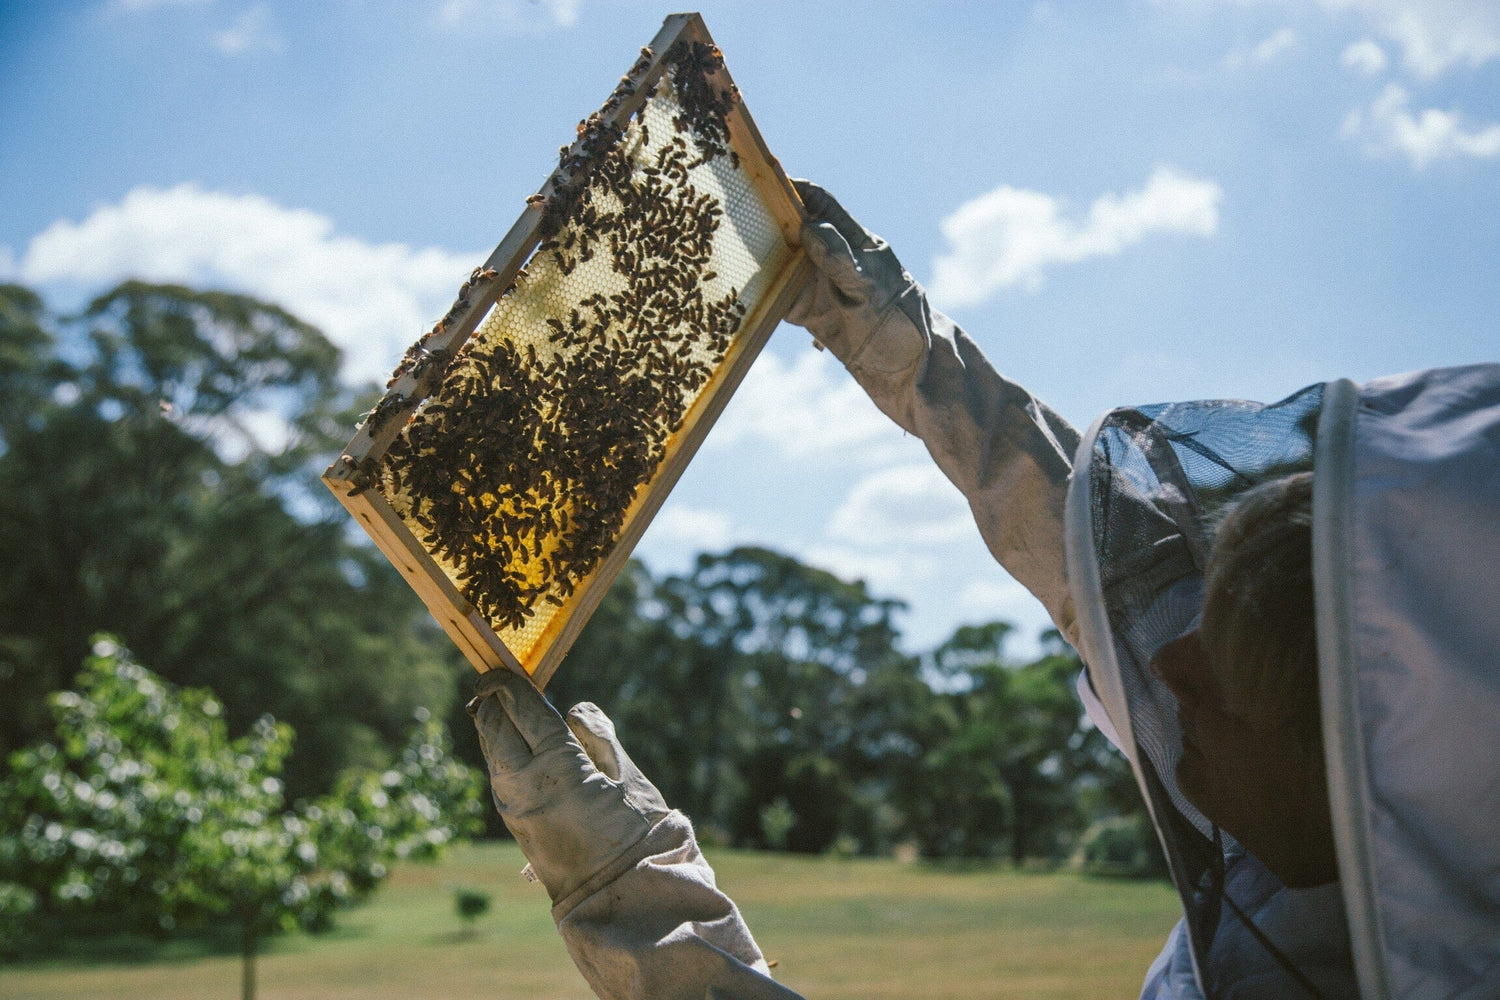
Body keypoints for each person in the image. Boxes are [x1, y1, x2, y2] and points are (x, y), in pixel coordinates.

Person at [468, 182, 1500, 1000]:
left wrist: (631, 893)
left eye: (1236, 665)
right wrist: (910, 356)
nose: (1173, 661)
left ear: (1392, 781)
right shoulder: (1340, 878)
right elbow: (1129, 578)